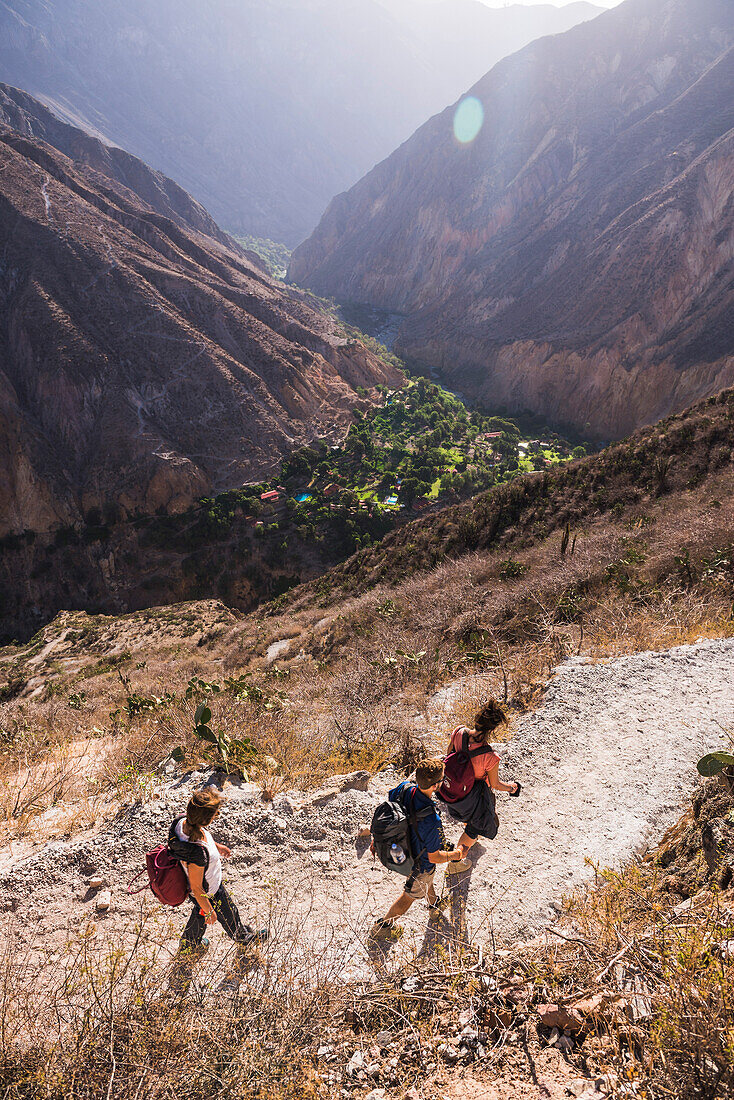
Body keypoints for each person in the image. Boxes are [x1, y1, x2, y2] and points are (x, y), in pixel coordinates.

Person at [370, 758, 468, 941]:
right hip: (419, 864)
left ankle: (434, 906)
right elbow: (435, 857)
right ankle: (383, 926)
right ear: (435, 785)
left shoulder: (404, 788)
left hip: (404, 850)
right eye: (442, 779)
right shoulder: (431, 820)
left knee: (427, 881)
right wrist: (456, 854)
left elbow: (389, 807)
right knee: (409, 895)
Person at [168, 787, 267, 959]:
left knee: (198, 919)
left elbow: (200, 836)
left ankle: (188, 947)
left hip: (202, 891)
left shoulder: (181, 822)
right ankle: (244, 939)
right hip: (210, 892)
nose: (216, 816)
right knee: (229, 914)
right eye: (214, 814)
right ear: (206, 820)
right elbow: (198, 888)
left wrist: (217, 847)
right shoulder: (197, 853)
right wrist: (208, 910)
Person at [441, 700, 520, 866]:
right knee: (475, 827)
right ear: (492, 730)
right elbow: (495, 785)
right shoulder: (490, 757)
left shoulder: (459, 732)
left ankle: (469, 839)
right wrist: (512, 787)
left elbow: (449, 756)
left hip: (452, 791)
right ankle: (455, 863)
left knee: (469, 820)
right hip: (473, 799)